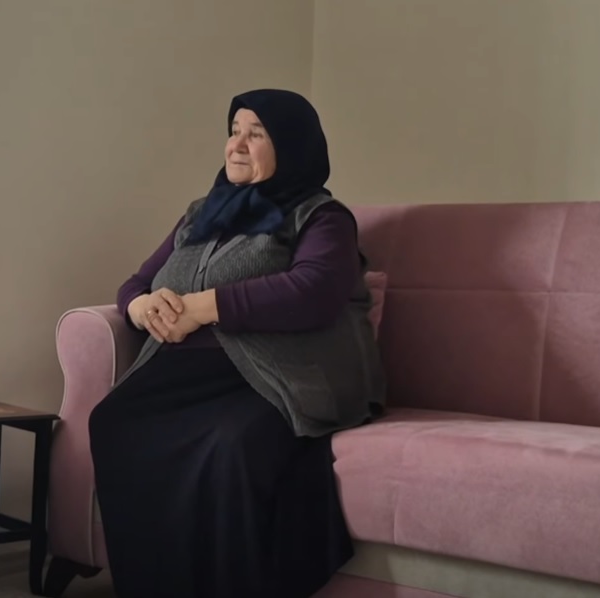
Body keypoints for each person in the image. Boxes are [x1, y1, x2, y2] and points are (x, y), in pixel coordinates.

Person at [88, 89, 386, 598]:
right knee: (113, 419)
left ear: (291, 145)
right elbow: (137, 282)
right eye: (233, 131)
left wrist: (203, 307)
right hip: (190, 373)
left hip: (274, 376)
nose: (237, 145)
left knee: (231, 446)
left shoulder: (321, 217)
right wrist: (141, 307)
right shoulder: (200, 214)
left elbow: (314, 290)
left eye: (256, 133)